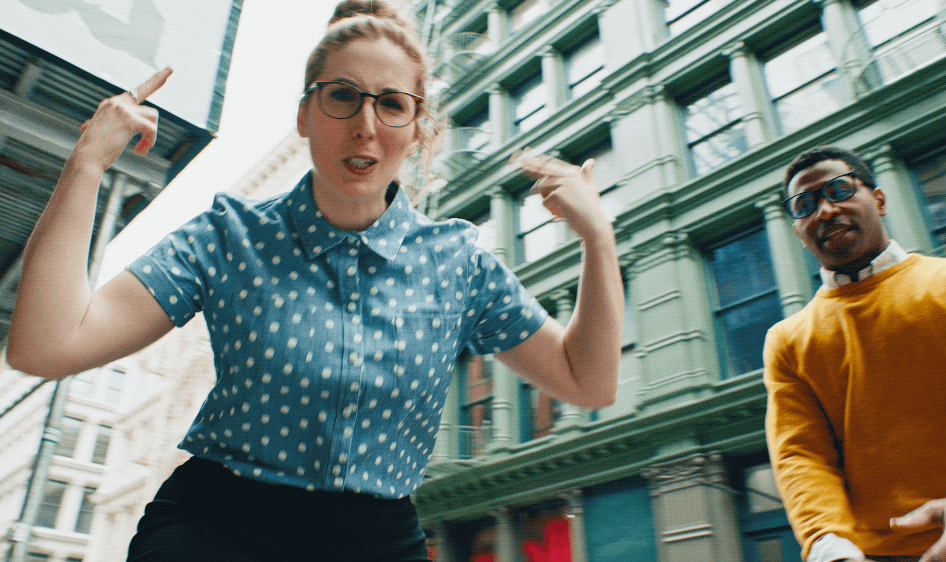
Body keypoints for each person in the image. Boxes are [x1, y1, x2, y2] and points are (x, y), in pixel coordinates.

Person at [5, 1, 624, 560]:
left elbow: (586, 379)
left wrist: (599, 238)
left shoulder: (458, 261)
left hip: (378, 541)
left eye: (391, 103)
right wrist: (86, 164)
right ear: (305, 115)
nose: (365, 125)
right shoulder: (229, 235)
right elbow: (47, 345)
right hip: (213, 531)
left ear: (417, 130)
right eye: (342, 96)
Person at [763, 145, 946, 562]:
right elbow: (801, 454)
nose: (825, 210)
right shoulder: (787, 340)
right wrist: (828, 545)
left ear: (879, 199)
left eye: (838, 189)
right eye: (804, 205)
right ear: (799, 232)